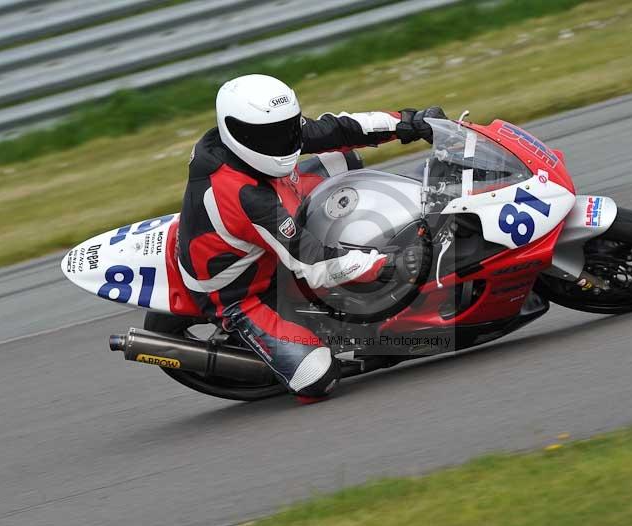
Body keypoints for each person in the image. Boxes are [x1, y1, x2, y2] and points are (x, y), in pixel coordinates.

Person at [178, 74, 446, 402]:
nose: (283, 142)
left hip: (273, 204)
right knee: (317, 380)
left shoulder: (260, 138)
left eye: (287, 129)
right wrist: (390, 261)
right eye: (269, 136)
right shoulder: (242, 195)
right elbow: (315, 263)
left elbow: (339, 129)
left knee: (345, 159)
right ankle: (275, 350)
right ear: (236, 132)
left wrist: (409, 122)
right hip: (244, 292)